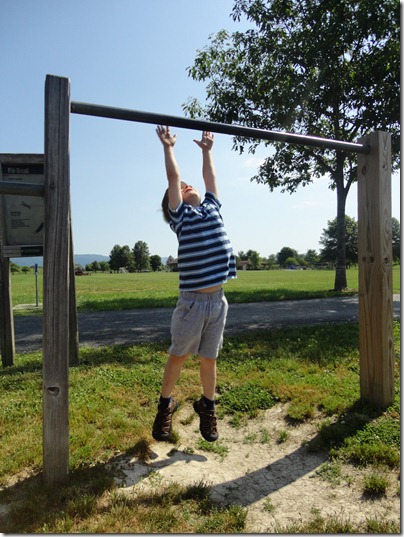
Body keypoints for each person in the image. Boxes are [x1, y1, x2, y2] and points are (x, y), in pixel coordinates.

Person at [152, 125, 237, 443]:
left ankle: (208, 405)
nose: (187, 185)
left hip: (218, 302)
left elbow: (210, 177)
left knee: (209, 358)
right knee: (178, 355)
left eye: (190, 185)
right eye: (181, 189)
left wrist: (207, 151)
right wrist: (169, 148)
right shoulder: (182, 218)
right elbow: (173, 177)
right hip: (192, 304)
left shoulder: (213, 207)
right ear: (173, 205)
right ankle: (165, 405)